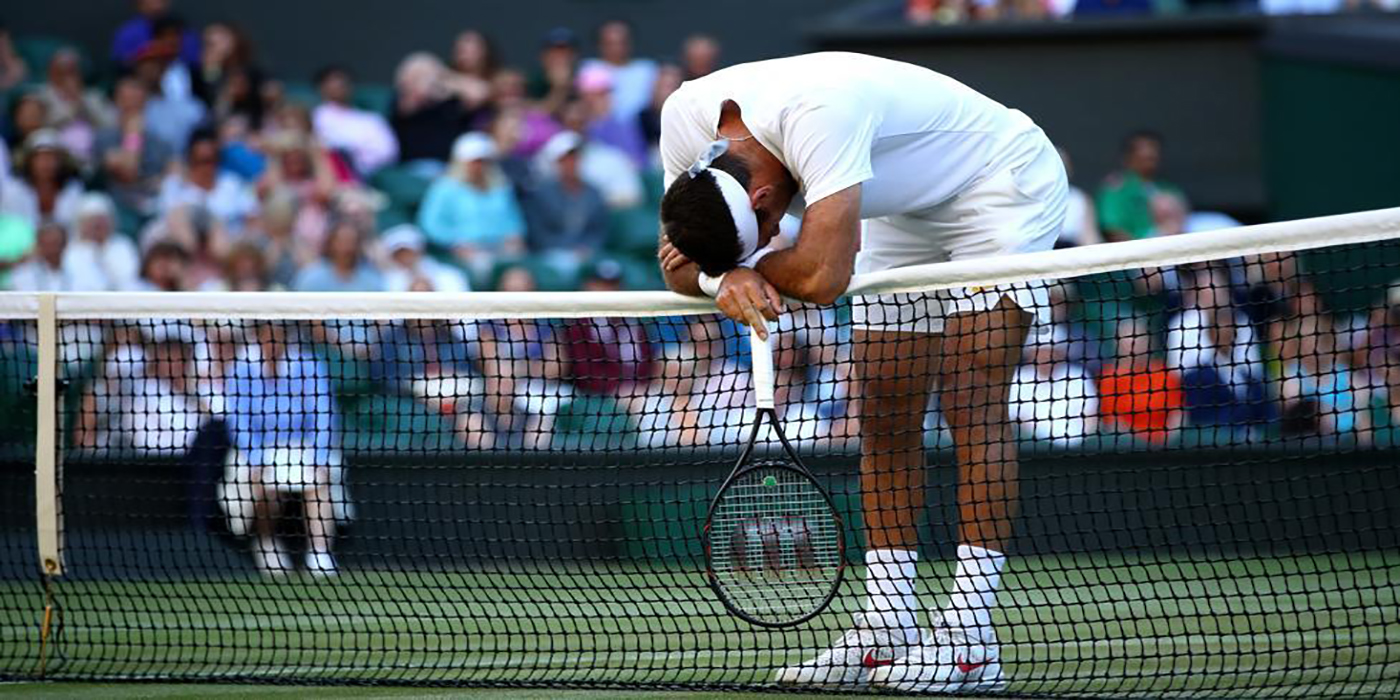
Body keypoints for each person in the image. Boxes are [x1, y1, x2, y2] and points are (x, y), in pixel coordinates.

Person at [655, 52, 1068, 691]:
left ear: (764, 201)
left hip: (998, 179)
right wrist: (722, 275)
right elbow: (677, 263)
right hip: (893, 209)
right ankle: (887, 627)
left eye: (766, 233)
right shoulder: (685, 120)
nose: (770, 238)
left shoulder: (820, 112)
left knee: (970, 393)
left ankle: (970, 637)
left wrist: (747, 271)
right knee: (882, 405)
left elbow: (822, 276)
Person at [225, 321, 343, 576]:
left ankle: (320, 554)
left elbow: (323, 413)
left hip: (302, 447)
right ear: (258, 337)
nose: (273, 342)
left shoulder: (308, 365)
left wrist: (319, 456)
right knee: (263, 486)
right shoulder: (242, 369)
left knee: (319, 482)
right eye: (267, 336)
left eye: (278, 336)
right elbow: (238, 421)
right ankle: (266, 543)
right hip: (259, 448)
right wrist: (256, 459)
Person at [417, 132, 526, 276]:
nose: (479, 166)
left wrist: (514, 236)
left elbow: (514, 219)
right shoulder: (444, 188)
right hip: (466, 250)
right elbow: (430, 224)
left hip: (501, 247)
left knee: (519, 270)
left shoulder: (501, 187)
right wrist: (455, 243)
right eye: (474, 161)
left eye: (484, 160)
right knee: (482, 268)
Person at [563, 258, 656, 397]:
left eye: (613, 285)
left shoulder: (634, 323)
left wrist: (641, 389)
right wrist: (618, 391)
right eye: (600, 285)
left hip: (642, 394)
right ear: (588, 286)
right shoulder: (578, 326)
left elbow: (648, 363)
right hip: (596, 399)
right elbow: (584, 371)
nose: (607, 291)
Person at [525, 132, 610, 273]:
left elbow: (599, 230)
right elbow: (538, 234)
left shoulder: (593, 192)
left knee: (607, 269)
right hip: (553, 252)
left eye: (575, 158)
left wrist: (587, 248)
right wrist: (569, 248)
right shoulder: (541, 193)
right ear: (556, 163)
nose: (571, 163)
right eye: (565, 159)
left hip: (588, 253)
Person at [93, 76, 176, 219]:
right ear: (117, 102)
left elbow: (174, 175)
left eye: (137, 101)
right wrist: (133, 135)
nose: (132, 106)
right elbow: (129, 171)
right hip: (118, 209)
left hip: (155, 207)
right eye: (127, 101)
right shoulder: (104, 138)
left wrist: (162, 180)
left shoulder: (159, 142)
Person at [1097, 318, 1184, 446]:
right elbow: (1113, 423)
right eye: (1127, 339)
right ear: (1118, 344)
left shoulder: (1165, 375)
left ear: (1148, 340)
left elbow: (1178, 415)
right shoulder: (1109, 379)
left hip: (1164, 448)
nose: (1133, 343)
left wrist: (1165, 441)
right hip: (1127, 449)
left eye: (1138, 337)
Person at [156, 129, 257, 234]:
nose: (207, 168)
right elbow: (166, 221)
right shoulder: (174, 186)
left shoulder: (233, 184)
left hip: (229, 244)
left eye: (211, 160)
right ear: (190, 161)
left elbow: (252, 218)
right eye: (201, 161)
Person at [1096, 131, 1187, 243]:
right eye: (1145, 153)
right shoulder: (1117, 188)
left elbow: (1184, 223)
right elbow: (1112, 229)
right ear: (1128, 157)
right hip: (1136, 253)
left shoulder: (1168, 188)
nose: (1151, 154)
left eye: (1154, 151)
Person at [311, 65, 398, 176]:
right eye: (332, 82)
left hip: (371, 175)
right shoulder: (315, 116)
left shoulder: (372, 119)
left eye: (343, 82)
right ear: (321, 88)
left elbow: (389, 152)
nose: (339, 86)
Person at [36, 49, 116, 168]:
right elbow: (43, 126)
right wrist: (72, 107)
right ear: (52, 73)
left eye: (71, 71)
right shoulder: (43, 96)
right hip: (58, 155)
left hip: (95, 155)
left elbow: (109, 125)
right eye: (61, 71)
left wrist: (82, 102)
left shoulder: (93, 96)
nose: (67, 77)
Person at [1008, 343, 1099, 448]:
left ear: (1060, 354)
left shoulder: (1077, 375)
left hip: (1078, 446)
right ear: (1031, 354)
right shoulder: (1018, 378)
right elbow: (1016, 419)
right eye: (1041, 352)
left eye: (1051, 352)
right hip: (1034, 448)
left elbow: (1090, 417)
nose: (1046, 357)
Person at [2, 129, 85, 229]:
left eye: (51, 158)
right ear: (29, 161)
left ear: (61, 161)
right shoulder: (13, 191)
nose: (46, 163)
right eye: (40, 158)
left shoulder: (73, 189)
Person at [579, 20, 657, 121]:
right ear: (599, 45)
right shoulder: (588, 68)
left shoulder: (647, 70)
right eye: (610, 43)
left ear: (630, 43)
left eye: (621, 42)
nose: (616, 48)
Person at [62, 193, 142, 291]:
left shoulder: (123, 245)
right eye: (91, 221)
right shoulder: (72, 250)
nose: (97, 226)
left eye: (101, 220)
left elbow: (127, 277)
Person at [292, 219, 383, 292]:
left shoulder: (371, 279)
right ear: (330, 244)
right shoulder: (311, 277)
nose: (347, 247)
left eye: (352, 242)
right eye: (341, 241)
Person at [379, 224, 469, 293]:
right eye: (399, 254)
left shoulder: (450, 276)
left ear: (421, 251)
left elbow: (465, 314)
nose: (405, 258)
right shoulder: (387, 281)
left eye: (409, 252)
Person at [7, 223, 77, 291]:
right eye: (46, 245)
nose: (52, 250)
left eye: (55, 244)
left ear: (64, 244)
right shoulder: (23, 273)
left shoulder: (79, 268)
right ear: (38, 245)